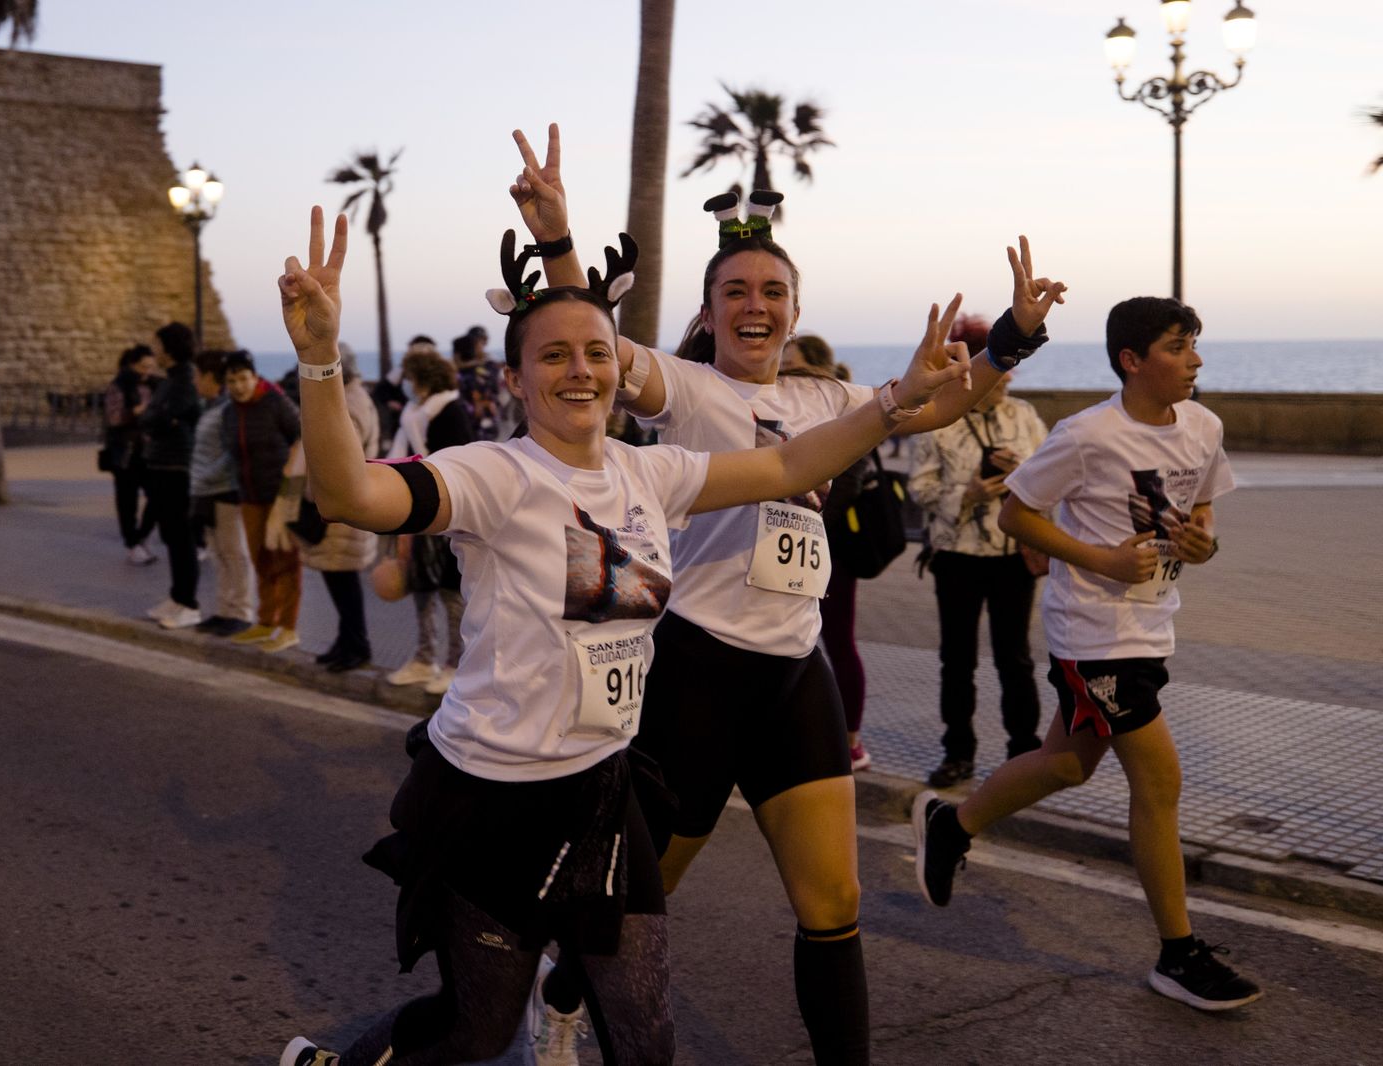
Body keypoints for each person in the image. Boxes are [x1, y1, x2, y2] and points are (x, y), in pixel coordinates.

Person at [273, 205, 967, 1066]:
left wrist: (897, 399)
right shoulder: (492, 476)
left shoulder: (652, 471)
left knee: (648, 1044)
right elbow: (351, 496)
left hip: (603, 792)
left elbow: (790, 465)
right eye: (554, 355)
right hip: (491, 796)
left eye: (598, 352)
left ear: (618, 372)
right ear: (517, 380)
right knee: (476, 1032)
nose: (581, 370)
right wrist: (317, 360)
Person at [509, 123, 1067, 1065]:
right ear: (711, 311)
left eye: (773, 291)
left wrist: (1011, 336)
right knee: (649, 894)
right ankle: (559, 992)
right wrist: (561, 239)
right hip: (695, 670)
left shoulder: (828, 399)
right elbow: (593, 337)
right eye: (735, 292)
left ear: (795, 307)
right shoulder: (680, 388)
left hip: (793, 675)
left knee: (833, 905)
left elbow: (941, 399)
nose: (754, 305)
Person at [913, 296, 1260, 1013]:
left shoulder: (1203, 426)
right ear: (1133, 361)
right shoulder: (1086, 435)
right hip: (1093, 636)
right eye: (1178, 346)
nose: (1195, 357)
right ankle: (1177, 953)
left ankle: (953, 824)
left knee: (1067, 765)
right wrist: (1099, 559)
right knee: (1160, 782)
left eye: (1196, 344)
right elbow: (1017, 514)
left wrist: (1204, 541)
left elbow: (1201, 511)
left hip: (1152, 624)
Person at [908, 314, 1050, 787]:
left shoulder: (1023, 417)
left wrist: (1021, 474)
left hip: (1013, 556)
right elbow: (919, 488)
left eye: (1011, 366)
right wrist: (966, 495)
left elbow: (1054, 481)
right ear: (970, 372)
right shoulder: (939, 421)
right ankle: (958, 753)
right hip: (957, 556)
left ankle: (1024, 752)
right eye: (999, 367)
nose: (1008, 376)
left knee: (1016, 658)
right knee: (957, 659)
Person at [784, 334, 874, 770]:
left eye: (794, 366)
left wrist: (803, 514)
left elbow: (848, 483)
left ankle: (852, 741)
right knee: (794, 639)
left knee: (838, 640)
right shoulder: (789, 411)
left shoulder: (843, 413)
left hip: (830, 548)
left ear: (818, 369)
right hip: (791, 547)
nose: (784, 373)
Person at [384, 346, 476, 695]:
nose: (406, 383)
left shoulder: (450, 410)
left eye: (409, 376)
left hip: (448, 513)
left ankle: (457, 663)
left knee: (451, 593)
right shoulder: (414, 410)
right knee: (420, 586)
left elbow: (458, 461)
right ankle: (424, 658)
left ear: (422, 377)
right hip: (415, 510)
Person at [297, 342, 379, 672]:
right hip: (340, 502)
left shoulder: (350, 402)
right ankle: (345, 642)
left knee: (343, 582)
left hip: (341, 504)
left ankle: (356, 646)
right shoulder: (352, 397)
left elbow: (340, 455)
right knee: (340, 581)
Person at [220, 351, 304, 653]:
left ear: (254, 378)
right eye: (232, 381)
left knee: (286, 560)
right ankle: (266, 621)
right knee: (260, 559)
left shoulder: (274, 402)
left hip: (280, 495)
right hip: (249, 496)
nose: (239, 386)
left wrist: (290, 483)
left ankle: (289, 627)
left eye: (244, 379)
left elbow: (301, 436)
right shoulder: (229, 412)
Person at [139, 322, 203, 628]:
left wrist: (158, 418)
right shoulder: (169, 381)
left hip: (178, 467)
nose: (155, 352)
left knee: (181, 536)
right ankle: (177, 597)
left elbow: (160, 417)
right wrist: (157, 418)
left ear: (170, 347)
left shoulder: (185, 381)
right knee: (170, 535)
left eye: (158, 345)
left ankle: (188, 603)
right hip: (162, 465)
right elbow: (154, 418)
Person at [189, 350, 256, 637]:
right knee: (219, 553)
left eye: (197, 375)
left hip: (226, 491)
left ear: (209, 377)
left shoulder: (227, 410)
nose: (194, 381)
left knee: (234, 553)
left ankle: (240, 612)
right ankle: (224, 610)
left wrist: (204, 476)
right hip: (208, 493)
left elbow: (232, 452)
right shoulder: (212, 407)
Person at [103, 345, 160, 564]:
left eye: (151, 367)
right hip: (125, 452)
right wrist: (138, 411)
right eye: (143, 366)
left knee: (158, 495)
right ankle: (132, 544)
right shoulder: (118, 385)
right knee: (127, 501)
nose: (147, 371)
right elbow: (114, 418)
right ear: (132, 364)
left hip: (150, 450)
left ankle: (141, 536)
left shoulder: (154, 384)